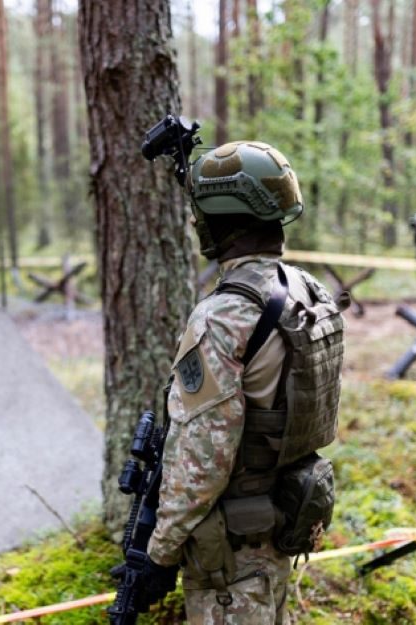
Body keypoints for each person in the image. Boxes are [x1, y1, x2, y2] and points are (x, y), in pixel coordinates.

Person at [132, 141, 346, 624]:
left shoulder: (225, 315)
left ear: (222, 216)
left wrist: (159, 552)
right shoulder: (305, 289)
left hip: (230, 550)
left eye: (200, 211)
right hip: (281, 518)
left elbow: (202, 457)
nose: (196, 221)